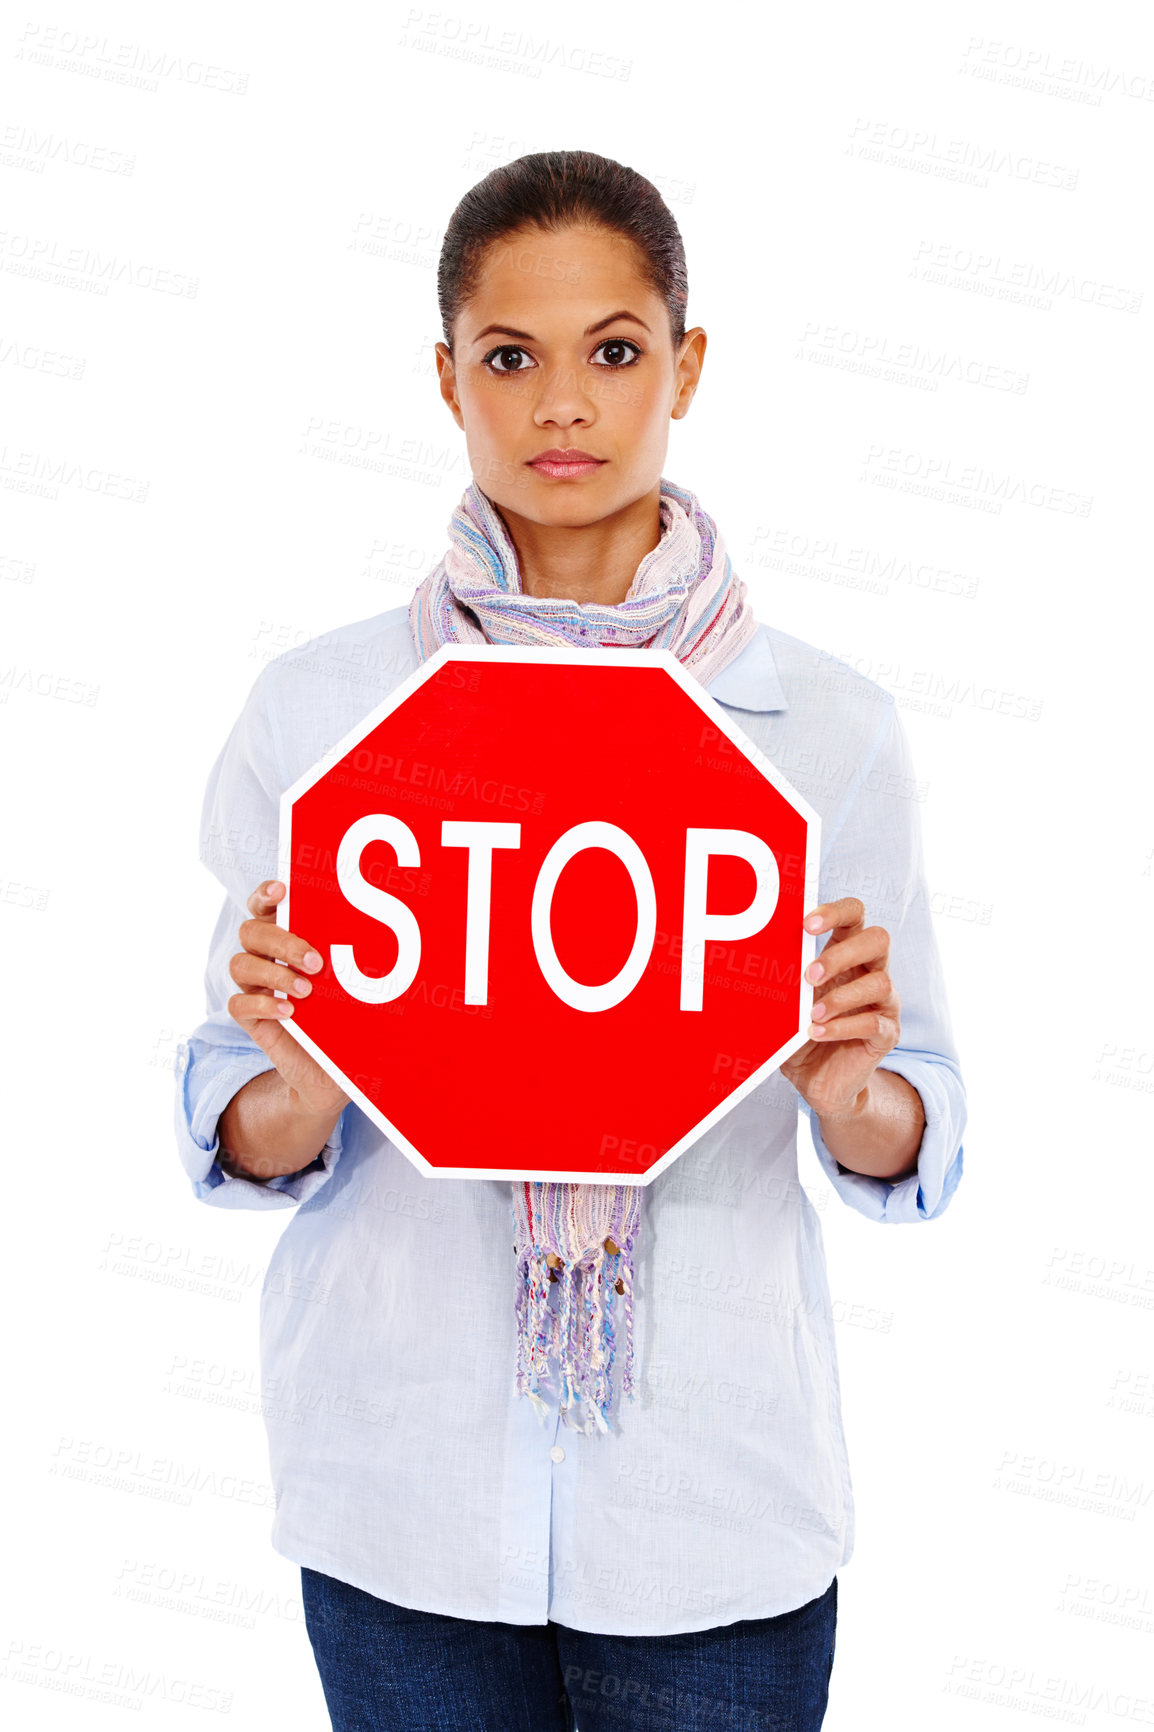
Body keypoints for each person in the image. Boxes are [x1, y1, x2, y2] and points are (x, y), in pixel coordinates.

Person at [174, 150, 966, 1732]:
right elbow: (238, 1118)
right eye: (509, 358)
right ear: (447, 377)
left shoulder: (825, 729)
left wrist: (839, 1076)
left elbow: (909, 1121)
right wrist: (310, 1065)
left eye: (613, 352)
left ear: (683, 365)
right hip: (403, 1501)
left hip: (709, 1511)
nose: (562, 405)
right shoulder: (326, 714)